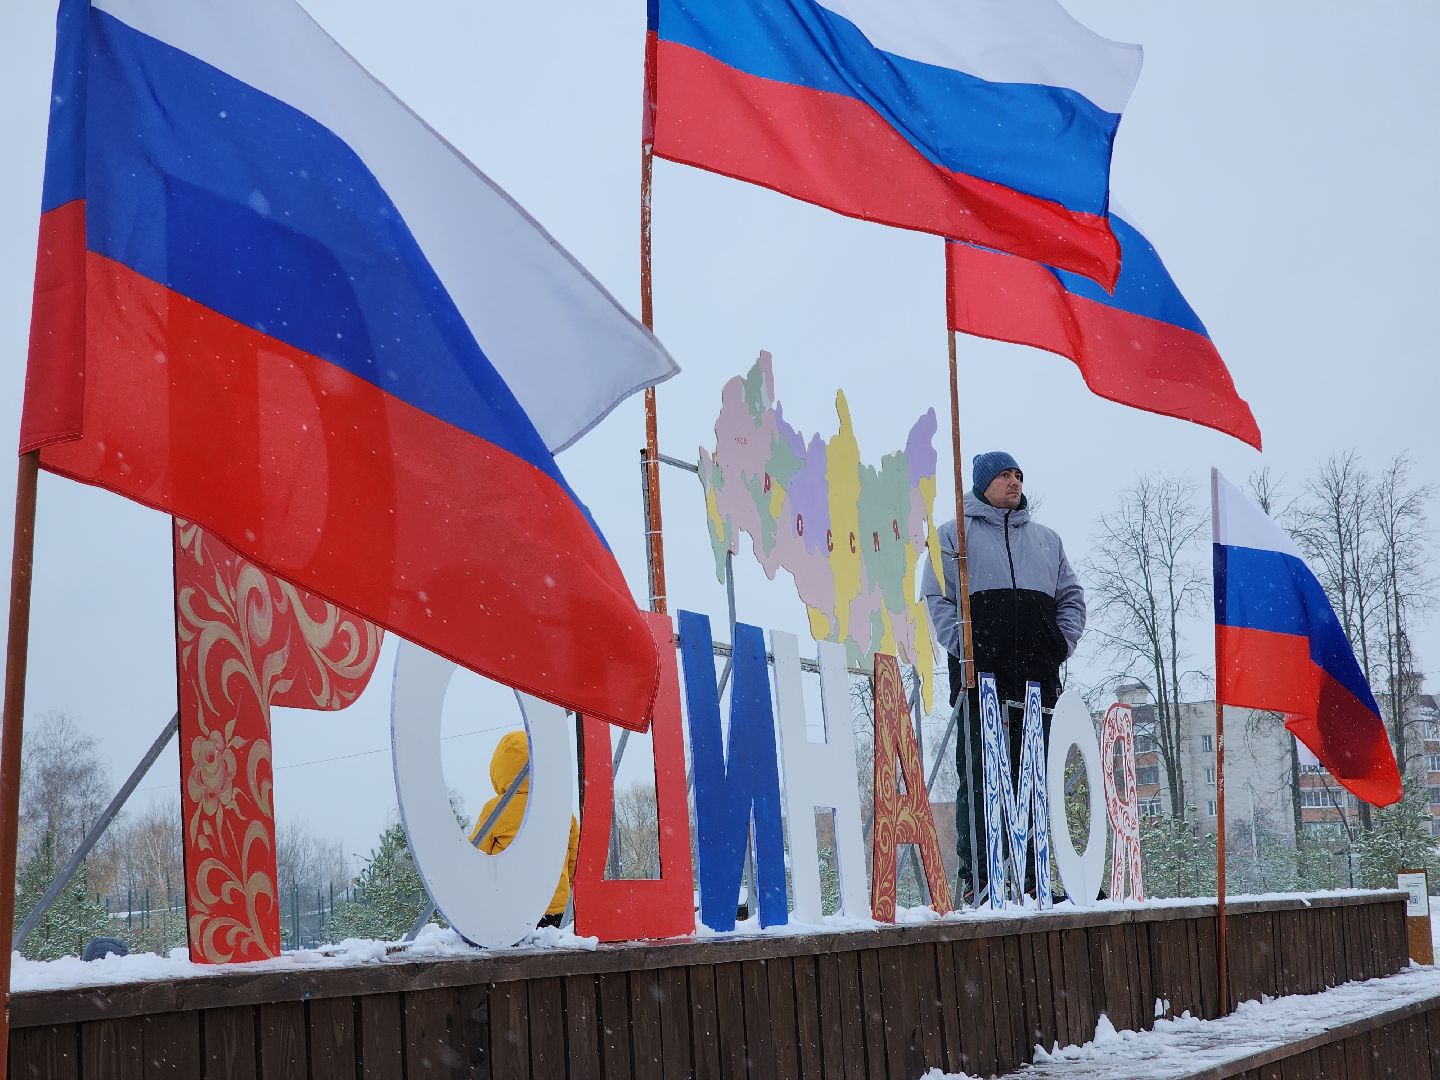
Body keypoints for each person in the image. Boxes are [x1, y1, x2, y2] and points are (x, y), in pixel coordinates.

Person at [921, 450, 1085, 903]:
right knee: (979, 776)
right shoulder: (954, 535)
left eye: (1018, 474)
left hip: (1037, 681)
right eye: (1004, 475)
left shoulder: (1047, 540)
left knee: (1034, 777)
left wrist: (1060, 644)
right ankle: (981, 876)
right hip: (980, 681)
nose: (1014, 482)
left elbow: (1072, 596)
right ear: (982, 483)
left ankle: (1033, 876)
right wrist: (965, 647)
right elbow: (937, 597)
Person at [471, 730, 580, 928]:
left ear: (498, 770)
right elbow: (575, 858)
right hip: (553, 905)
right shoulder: (561, 809)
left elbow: (476, 854)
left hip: (510, 904)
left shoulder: (495, 810)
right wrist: (567, 882)